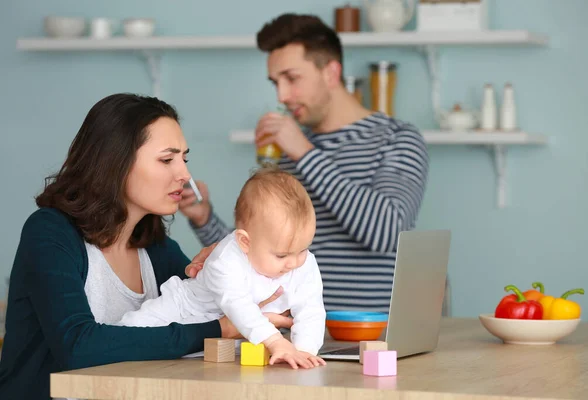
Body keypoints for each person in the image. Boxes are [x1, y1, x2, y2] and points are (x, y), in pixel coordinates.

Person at [0, 93, 291, 400]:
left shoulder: (155, 247)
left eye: (184, 159)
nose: (184, 174)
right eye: (167, 159)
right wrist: (221, 328)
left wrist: (229, 273)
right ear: (116, 162)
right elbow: (77, 346)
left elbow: (202, 310)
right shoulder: (50, 233)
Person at [180, 13, 430, 312]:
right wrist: (203, 218)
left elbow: (385, 233)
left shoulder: (397, 139)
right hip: (293, 340)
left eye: (292, 78)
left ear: (331, 73)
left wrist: (305, 152)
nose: (282, 95)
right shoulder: (289, 151)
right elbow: (256, 253)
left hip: (371, 336)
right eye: (275, 82)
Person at [117, 167, 327, 369]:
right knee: (132, 331)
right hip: (185, 309)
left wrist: (304, 351)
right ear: (245, 242)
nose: (294, 263)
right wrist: (276, 342)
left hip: (236, 332)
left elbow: (311, 309)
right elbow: (238, 306)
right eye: (281, 255)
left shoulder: (303, 262)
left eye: (302, 249)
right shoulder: (226, 259)